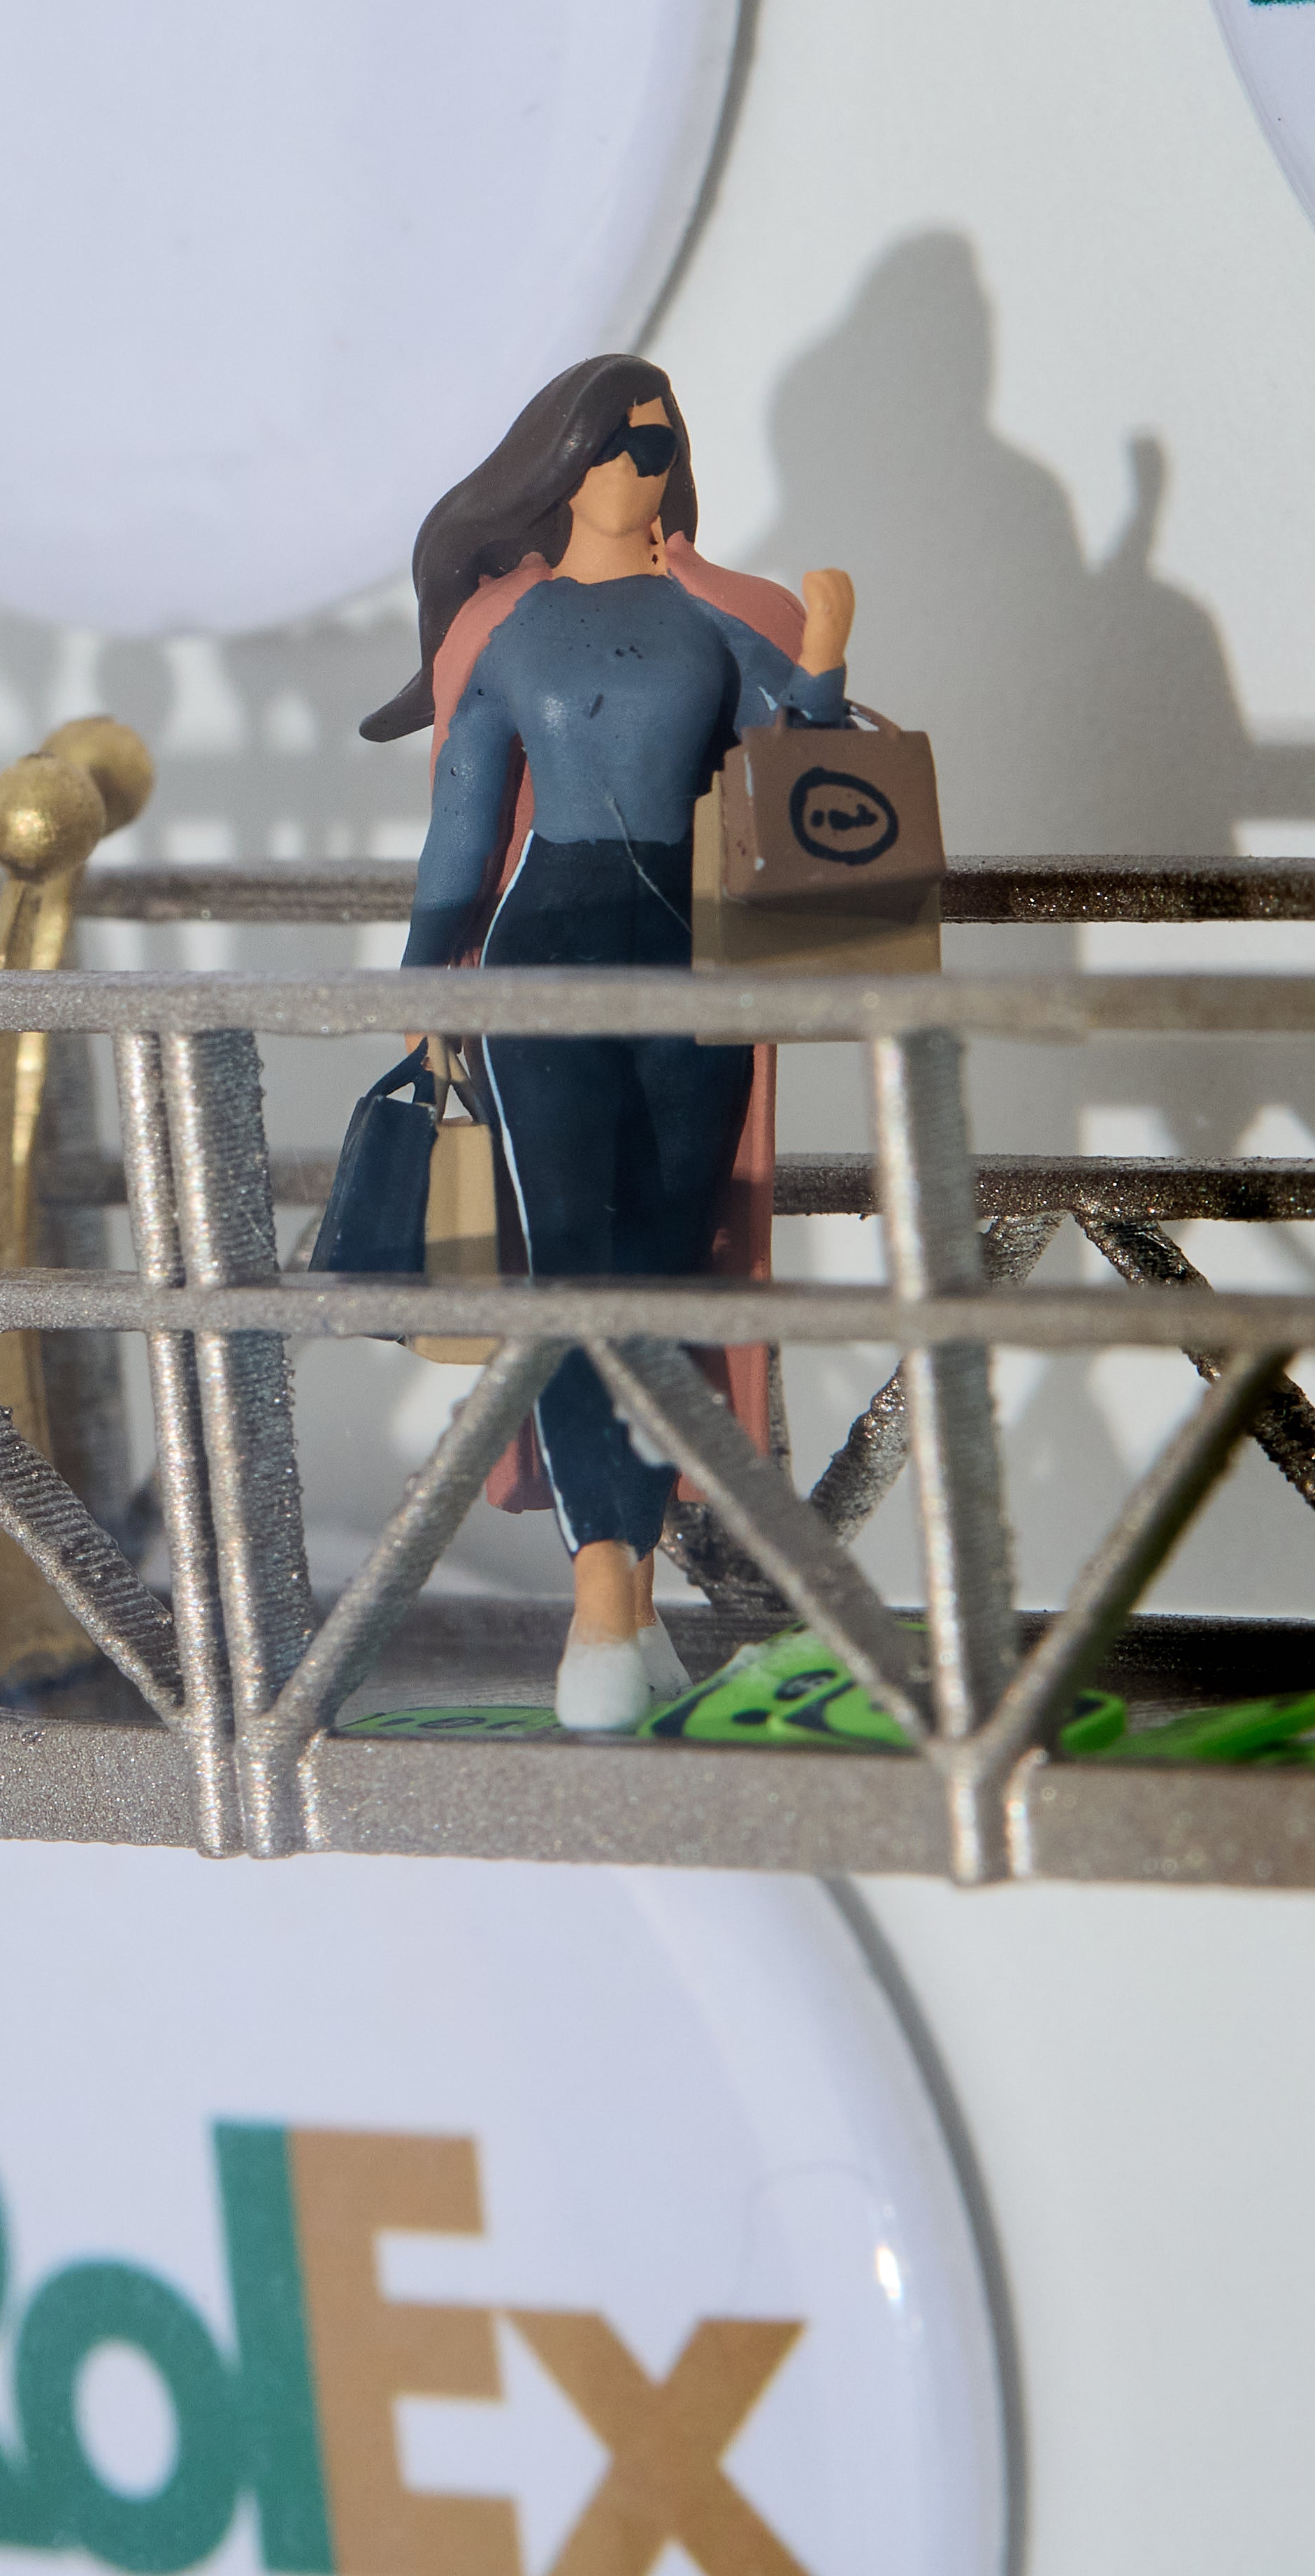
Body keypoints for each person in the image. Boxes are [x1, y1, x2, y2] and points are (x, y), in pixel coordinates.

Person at [361, 359, 855, 1732]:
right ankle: (598, 1599)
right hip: (546, 971)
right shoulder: (518, 635)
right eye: (626, 438)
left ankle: (629, 1599)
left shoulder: (716, 617)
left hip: (696, 981)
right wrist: (427, 982)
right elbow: (463, 824)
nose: (650, 457)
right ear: (563, 464)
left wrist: (820, 655)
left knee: (663, 1276)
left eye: (667, 438)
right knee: (577, 1272)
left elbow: (809, 773)